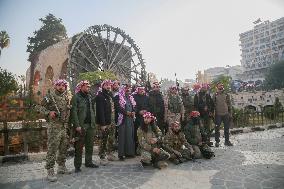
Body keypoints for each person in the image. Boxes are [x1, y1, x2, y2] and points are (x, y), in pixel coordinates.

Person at [36, 79, 71, 182]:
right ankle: (50, 170)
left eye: (63, 85)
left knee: (63, 147)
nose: (61, 87)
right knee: (52, 148)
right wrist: (48, 112)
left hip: (64, 126)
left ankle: (61, 166)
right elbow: (38, 107)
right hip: (54, 126)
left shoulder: (66, 96)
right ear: (55, 86)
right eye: (59, 85)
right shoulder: (49, 96)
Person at [71, 80, 99, 173]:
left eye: (89, 86)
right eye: (87, 86)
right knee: (79, 146)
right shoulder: (76, 97)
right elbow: (74, 112)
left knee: (90, 145)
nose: (88, 87)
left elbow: (92, 110)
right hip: (82, 125)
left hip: (91, 125)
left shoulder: (89, 96)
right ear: (81, 86)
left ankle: (88, 162)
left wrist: (94, 123)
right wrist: (77, 125)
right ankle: (77, 166)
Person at [96, 80, 116, 164]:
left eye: (109, 85)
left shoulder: (110, 95)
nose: (108, 86)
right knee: (103, 139)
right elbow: (100, 111)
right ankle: (102, 156)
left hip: (111, 120)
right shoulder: (100, 96)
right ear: (102, 86)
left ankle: (109, 153)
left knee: (111, 138)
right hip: (104, 122)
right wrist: (103, 124)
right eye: (106, 85)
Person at [115, 84, 136, 160]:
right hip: (123, 119)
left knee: (129, 136)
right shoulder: (118, 96)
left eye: (129, 88)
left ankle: (129, 153)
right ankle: (121, 154)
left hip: (130, 119)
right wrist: (126, 112)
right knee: (122, 136)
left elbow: (134, 106)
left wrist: (133, 111)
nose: (128, 89)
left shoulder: (130, 97)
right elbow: (117, 107)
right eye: (126, 88)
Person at [213, 82, 233, 147]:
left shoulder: (226, 94)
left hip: (226, 114)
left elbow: (229, 104)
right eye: (219, 85)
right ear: (217, 87)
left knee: (226, 128)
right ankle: (217, 142)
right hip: (218, 114)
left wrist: (230, 113)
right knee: (217, 128)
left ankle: (227, 141)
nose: (221, 86)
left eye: (222, 85)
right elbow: (213, 104)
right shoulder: (215, 95)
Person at [133, 86, 149, 155]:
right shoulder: (134, 96)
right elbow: (133, 106)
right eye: (140, 89)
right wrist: (138, 111)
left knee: (145, 132)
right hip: (137, 118)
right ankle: (136, 149)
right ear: (137, 90)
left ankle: (144, 148)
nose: (142, 91)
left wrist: (146, 110)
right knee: (137, 133)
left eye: (143, 89)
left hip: (145, 118)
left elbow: (149, 105)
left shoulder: (147, 97)